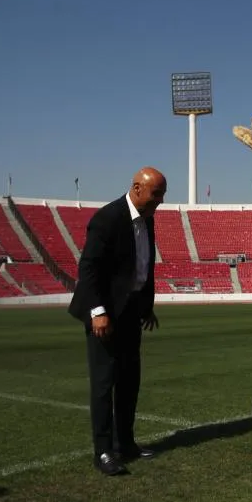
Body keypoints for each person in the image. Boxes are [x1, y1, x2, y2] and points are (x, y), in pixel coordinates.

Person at [68, 166, 167, 476]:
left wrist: (146, 307)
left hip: (130, 315)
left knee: (129, 382)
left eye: (162, 196)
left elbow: (142, 268)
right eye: (156, 195)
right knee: (103, 384)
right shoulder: (107, 218)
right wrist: (97, 312)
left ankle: (126, 443)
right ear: (136, 188)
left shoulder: (147, 220)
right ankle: (103, 452)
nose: (159, 202)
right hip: (105, 316)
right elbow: (89, 269)